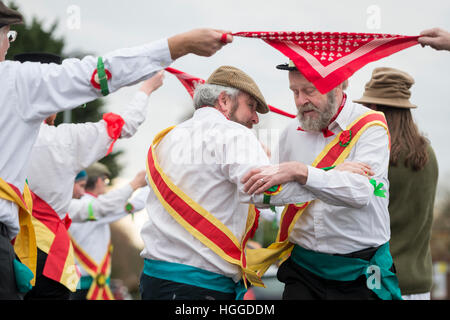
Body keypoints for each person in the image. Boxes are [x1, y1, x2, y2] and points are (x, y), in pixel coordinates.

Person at [0, 1, 231, 299]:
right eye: (8, 35)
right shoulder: (23, 90)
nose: (8, 45)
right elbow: (105, 84)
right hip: (40, 256)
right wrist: (171, 55)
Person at [138, 65, 368, 300]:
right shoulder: (233, 134)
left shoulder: (166, 138)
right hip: (201, 285)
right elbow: (263, 191)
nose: (255, 118)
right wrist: (327, 175)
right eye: (251, 106)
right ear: (225, 100)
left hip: (153, 280)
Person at [241, 60, 401, 300]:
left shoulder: (371, 127)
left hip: (362, 270)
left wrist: (300, 172)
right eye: (294, 92)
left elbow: (359, 194)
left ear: (337, 86)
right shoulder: (290, 133)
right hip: (304, 269)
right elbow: (264, 193)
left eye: (309, 91)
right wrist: (330, 175)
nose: (299, 101)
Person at [353, 67, 438, 300]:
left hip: (381, 280)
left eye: (367, 107)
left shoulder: (379, 156)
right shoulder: (428, 154)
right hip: (419, 282)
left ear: (377, 108)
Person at [68, 163, 148, 300]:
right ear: (99, 180)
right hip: (89, 286)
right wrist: (154, 183)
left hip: (73, 282)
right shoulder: (95, 208)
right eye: (105, 181)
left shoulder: (73, 207)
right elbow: (135, 204)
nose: (105, 185)